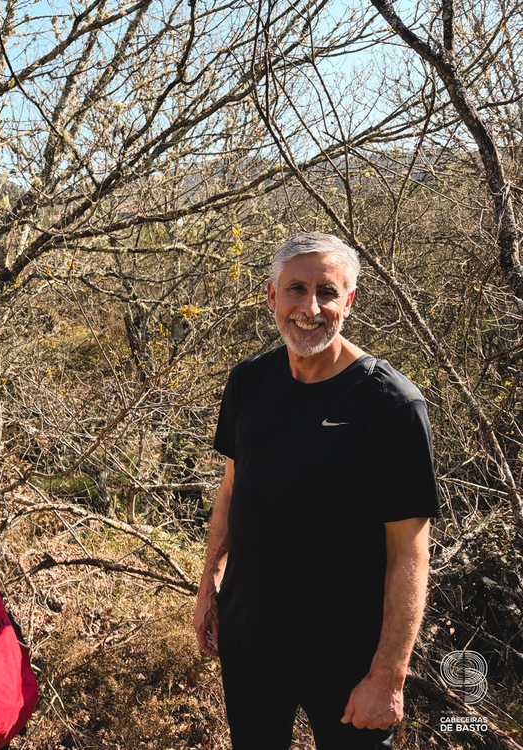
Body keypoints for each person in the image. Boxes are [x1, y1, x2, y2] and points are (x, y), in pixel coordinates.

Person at [192, 233, 438, 749]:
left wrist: (388, 675)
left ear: (348, 301)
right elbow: (234, 488)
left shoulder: (391, 405)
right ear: (270, 296)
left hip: (348, 660)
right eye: (296, 290)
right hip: (251, 639)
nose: (310, 308)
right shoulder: (249, 381)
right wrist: (210, 583)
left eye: (327, 292)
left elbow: (410, 552)